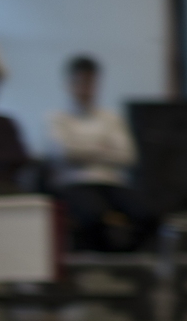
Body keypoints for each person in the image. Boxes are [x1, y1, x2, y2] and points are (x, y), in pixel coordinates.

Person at [41, 54, 150, 253]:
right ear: (69, 84)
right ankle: (102, 259)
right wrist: (102, 148)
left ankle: (124, 258)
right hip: (74, 184)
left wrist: (82, 149)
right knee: (93, 215)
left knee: (147, 213)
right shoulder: (57, 119)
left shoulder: (111, 118)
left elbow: (127, 155)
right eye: (80, 82)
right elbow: (64, 153)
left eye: (90, 82)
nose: (85, 89)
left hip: (111, 183)